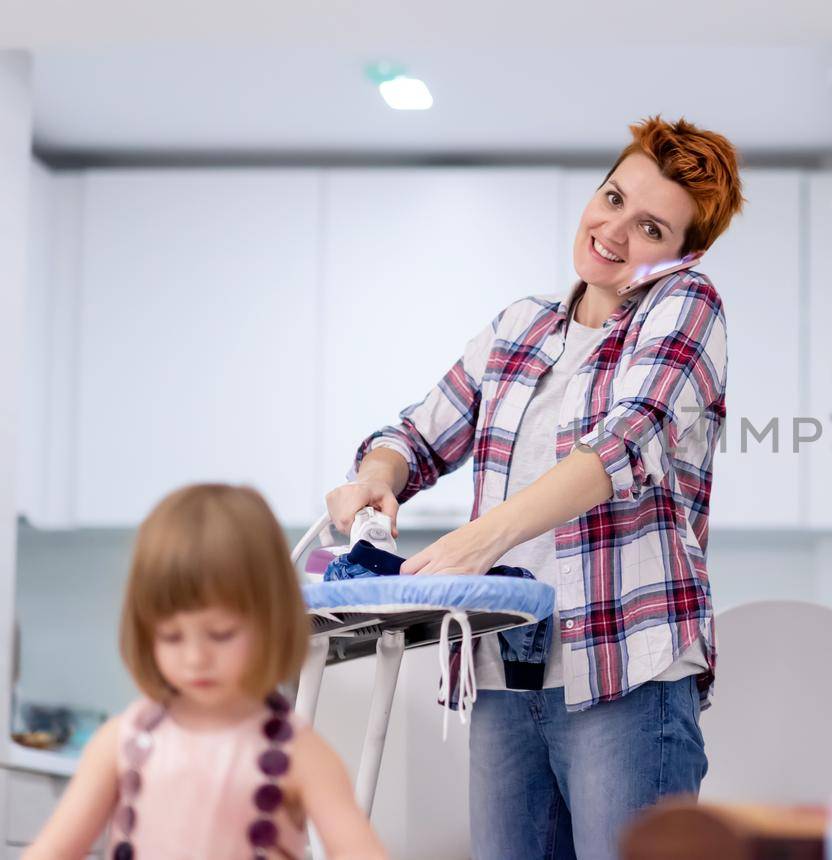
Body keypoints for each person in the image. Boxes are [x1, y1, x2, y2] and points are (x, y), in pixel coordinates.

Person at [323, 115, 742, 859]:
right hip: (503, 676)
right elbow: (415, 437)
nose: (612, 232)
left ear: (686, 254)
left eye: (650, 228)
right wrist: (374, 480)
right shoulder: (521, 327)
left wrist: (480, 540)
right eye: (612, 198)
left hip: (624, 675)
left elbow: (618, 446)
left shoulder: (687, 307)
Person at [25, 484, 385, 860]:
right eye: (171, 636)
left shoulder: (301, 754)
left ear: (271, 623)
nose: (195, 657)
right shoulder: (119, 745)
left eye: (221, 634)